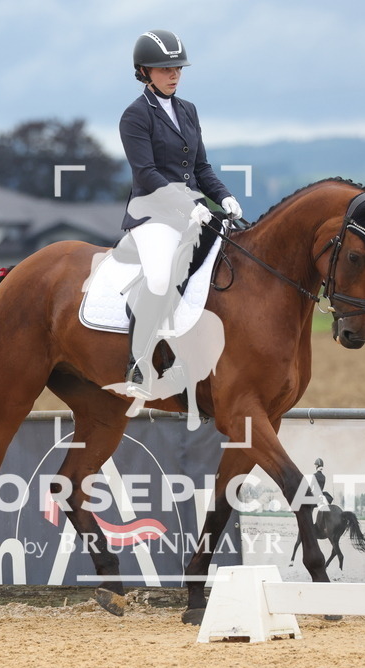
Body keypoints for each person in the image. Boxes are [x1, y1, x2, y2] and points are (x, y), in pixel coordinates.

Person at [118, 29, 243, 399]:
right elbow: (147, 174)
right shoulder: (135, 116)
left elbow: (201, 168)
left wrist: (225, 197)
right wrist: (187, 205)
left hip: (194, 213)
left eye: (177, 68)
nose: (173, 74)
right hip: (153, 215)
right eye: (164, 68)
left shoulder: (188, 110)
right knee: (160, 277)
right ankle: (138, 361)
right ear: (144, 71)